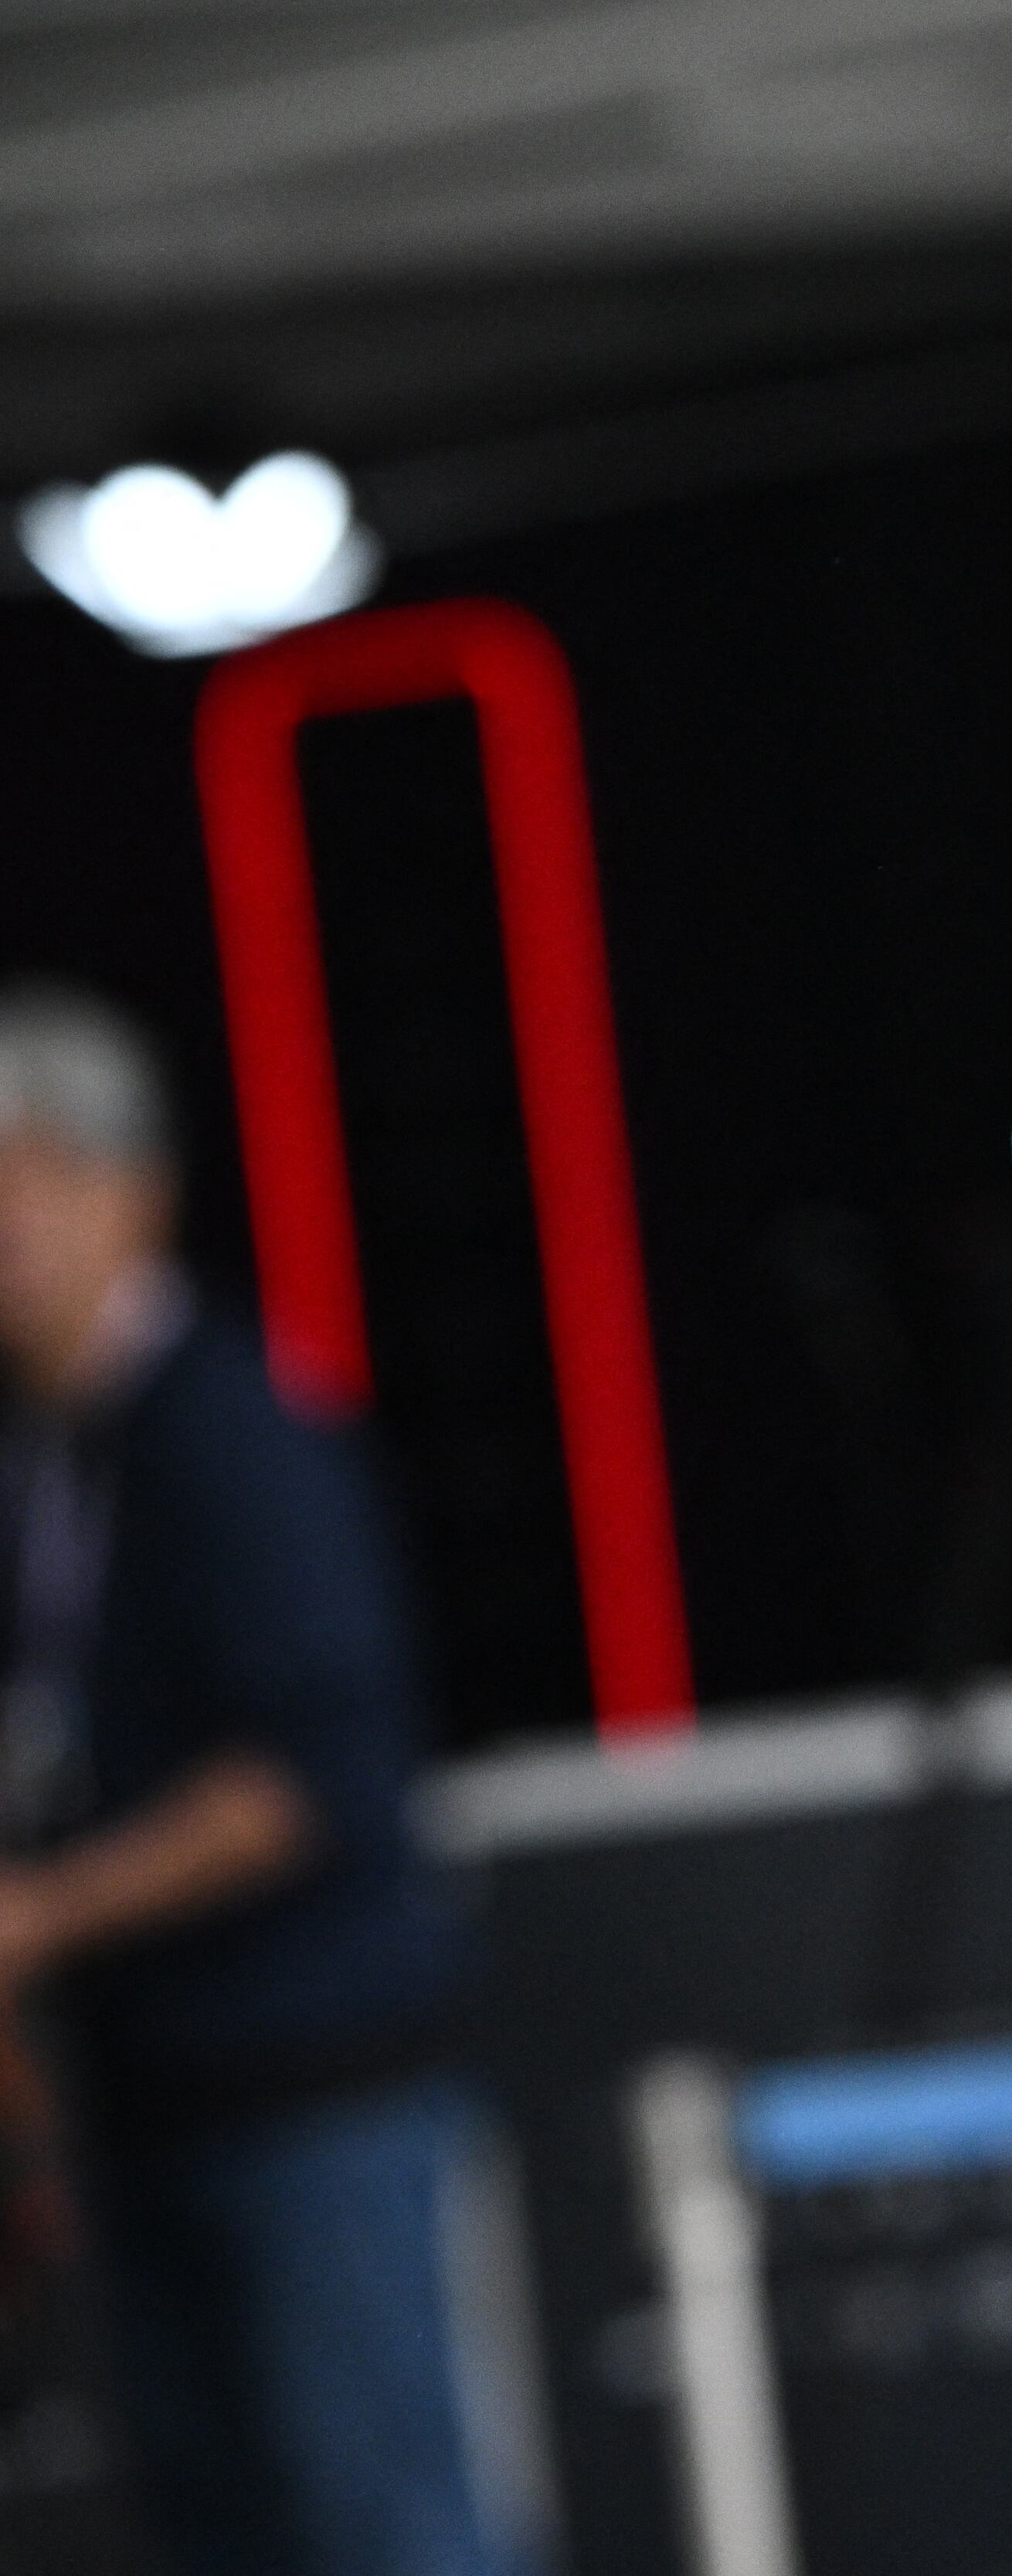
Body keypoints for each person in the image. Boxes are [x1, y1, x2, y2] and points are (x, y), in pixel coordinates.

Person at [0, 987, 501, 2576]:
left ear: (125, 1186)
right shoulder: (49, 1459)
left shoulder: (231, 1425)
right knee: (230, 2533)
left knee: (387, 2527)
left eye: (17, 1176)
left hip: (317, 2101)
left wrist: (40, 1915)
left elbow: (310, 1780)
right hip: (145, 2105)